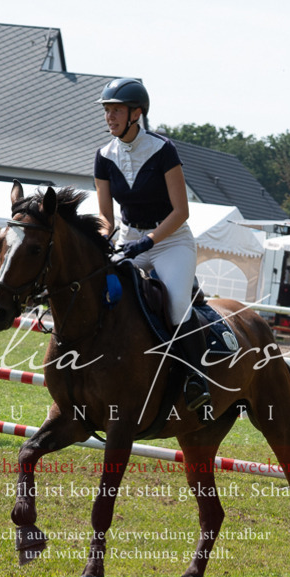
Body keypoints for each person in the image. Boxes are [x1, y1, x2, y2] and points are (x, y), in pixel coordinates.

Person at [93, 77, 210, 411]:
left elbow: (181, 211)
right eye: (107, 111)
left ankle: (196, 378)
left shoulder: (162, 150)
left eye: (116, 110)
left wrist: (149, 241)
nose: (109, 117)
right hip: (129, 239)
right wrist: (104, 241)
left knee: (175, 305)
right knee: (107, 294)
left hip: (171, 241)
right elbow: (106, 217)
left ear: (136, 113)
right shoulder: (103, 156)